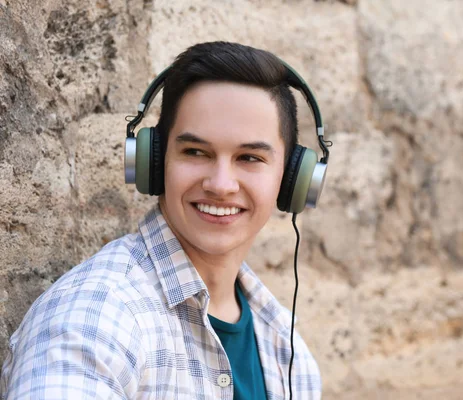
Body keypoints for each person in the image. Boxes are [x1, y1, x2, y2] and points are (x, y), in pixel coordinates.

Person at [0, 41, 323, 399]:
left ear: (291, 178)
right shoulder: (93, 318)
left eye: (249, 158)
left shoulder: (287, 350)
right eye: (196, 152)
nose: (220, 185)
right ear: (154, 161)